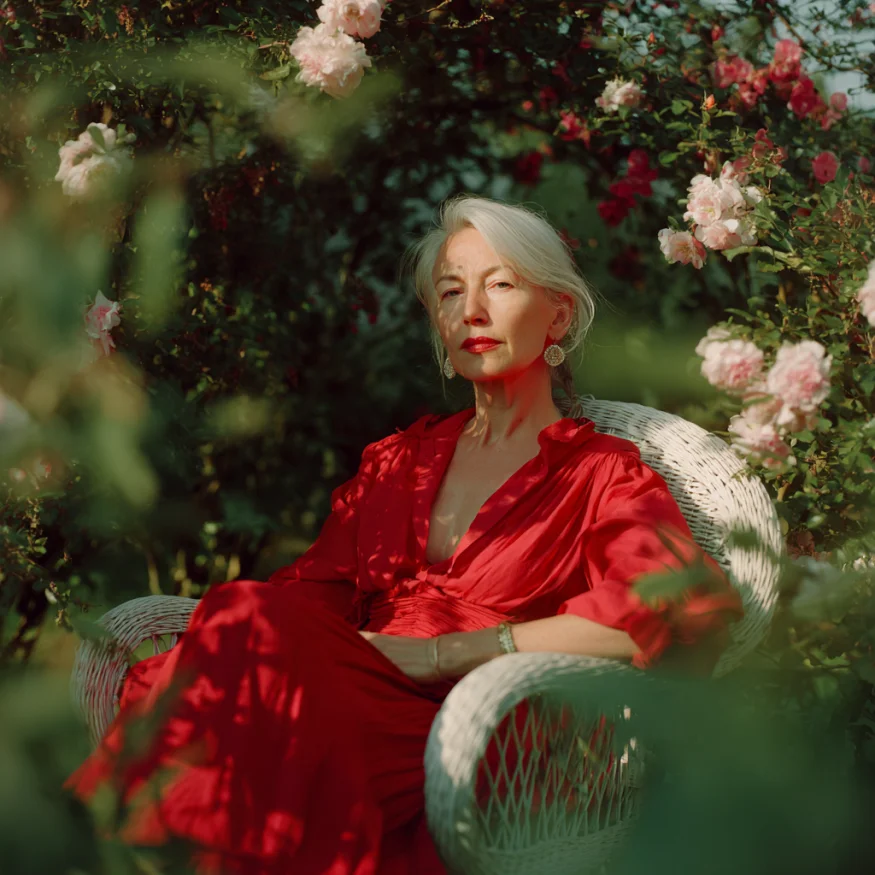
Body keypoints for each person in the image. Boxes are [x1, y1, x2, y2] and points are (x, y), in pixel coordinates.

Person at [65, 195, 743, 875]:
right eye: (450, 292)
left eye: (499, 284)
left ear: (557, 314)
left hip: (475, 728)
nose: (471, 310)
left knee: (233, 690)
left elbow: (650, 609)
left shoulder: (601, 472)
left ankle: (92, 840)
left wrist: (446, 652)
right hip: (351, 693)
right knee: (246, 628)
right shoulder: (396, 464)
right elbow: (306, 595)